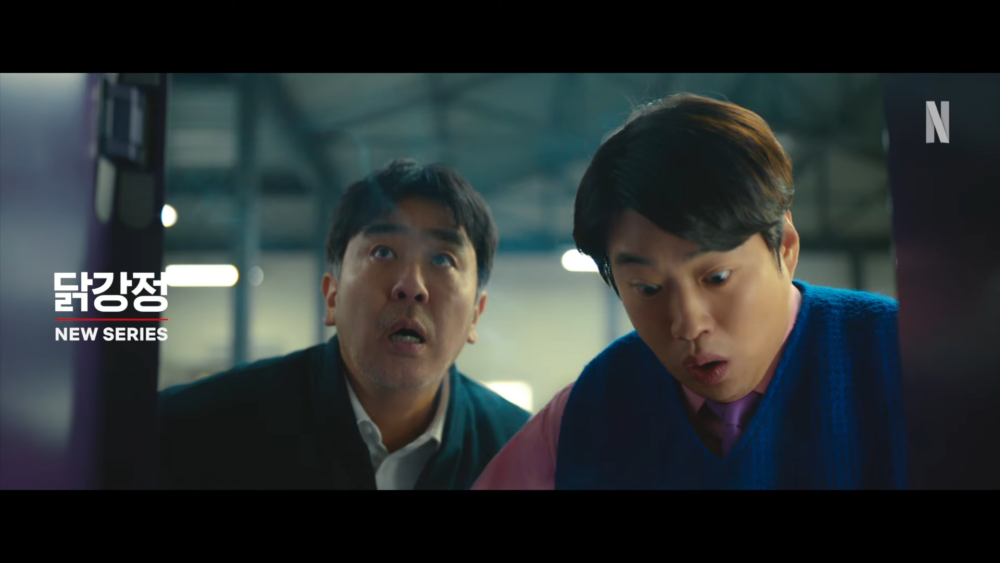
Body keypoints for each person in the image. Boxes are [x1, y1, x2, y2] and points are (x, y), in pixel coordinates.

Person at [473, 93, 907, 489]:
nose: (687, 324)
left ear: (786, 246)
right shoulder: (589, 412)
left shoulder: (905, 361)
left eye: (717, 278)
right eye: (648, 288)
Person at [157, 159, 530, 489]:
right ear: (332, 296)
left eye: (443, 260)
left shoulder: (525, 456)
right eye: (383, 252)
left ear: (475, 314)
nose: (411, 286)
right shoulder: (198, 431)